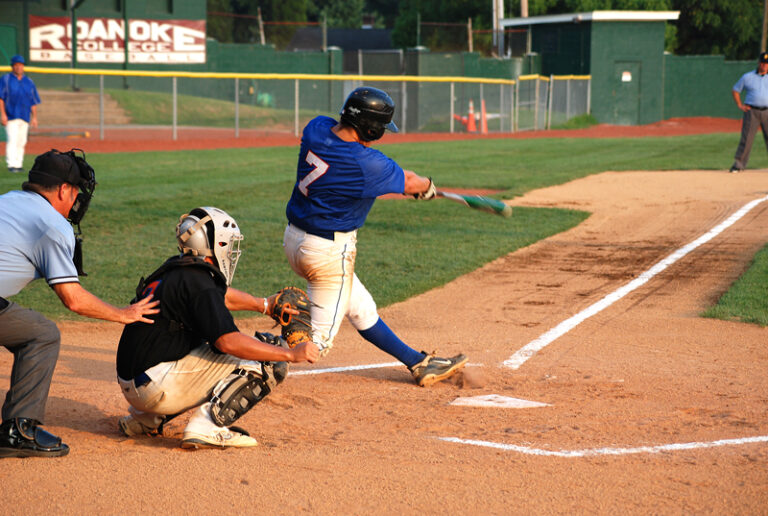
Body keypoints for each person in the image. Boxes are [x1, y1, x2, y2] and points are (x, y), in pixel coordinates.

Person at [283, 86, 467, 387]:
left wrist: (417, 187)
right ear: (370, 128)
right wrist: (427, 187)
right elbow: (409, 181)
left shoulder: (316, 127)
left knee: (360, 307)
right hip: (328, 254)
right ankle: (234, 362)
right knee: (315, 344)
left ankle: (418, 363)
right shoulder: (364, 163)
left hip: (294, 240)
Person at [0, 149, 160, 459]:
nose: (76, 200)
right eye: (76, 192)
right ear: (63, 189)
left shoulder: (7, 200)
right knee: (41, 335)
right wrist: (123, 314)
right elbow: (72, 299)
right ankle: (19, 429)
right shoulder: (51, 224)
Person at [116, 207, 319, 450]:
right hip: (155, 388)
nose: (232, 251)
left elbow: (219, 298)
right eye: (229, 244)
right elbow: (228, 342)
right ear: (215, 243)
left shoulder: (176, 270)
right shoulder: (200, 283)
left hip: (134, 381)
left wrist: (264, 305)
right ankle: (207, 426)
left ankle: (144, 420)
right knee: (269, 356)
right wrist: (290, 354)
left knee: (198, 339)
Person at [0, 55, 40, 173]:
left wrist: (35, 117)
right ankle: (11, 164)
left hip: (25, 115)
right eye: (16, 65)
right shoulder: (6, 79)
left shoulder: (29, 81)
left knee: (22, 141)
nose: (19, 67)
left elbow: (33, 101)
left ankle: (18, 164)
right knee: (12, 139)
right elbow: (1, 98)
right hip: (11, 115)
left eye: (21, 65)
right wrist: (3, 114)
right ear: (12, 66)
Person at [730, 52, 768, 173]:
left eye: (767, 64)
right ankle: (739, 164)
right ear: (758, 63)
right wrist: (740, 105)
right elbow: (736, 90)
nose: (764, 66)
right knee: (747, 138)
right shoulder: (748, 77)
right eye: (762, 63)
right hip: (752, 111)